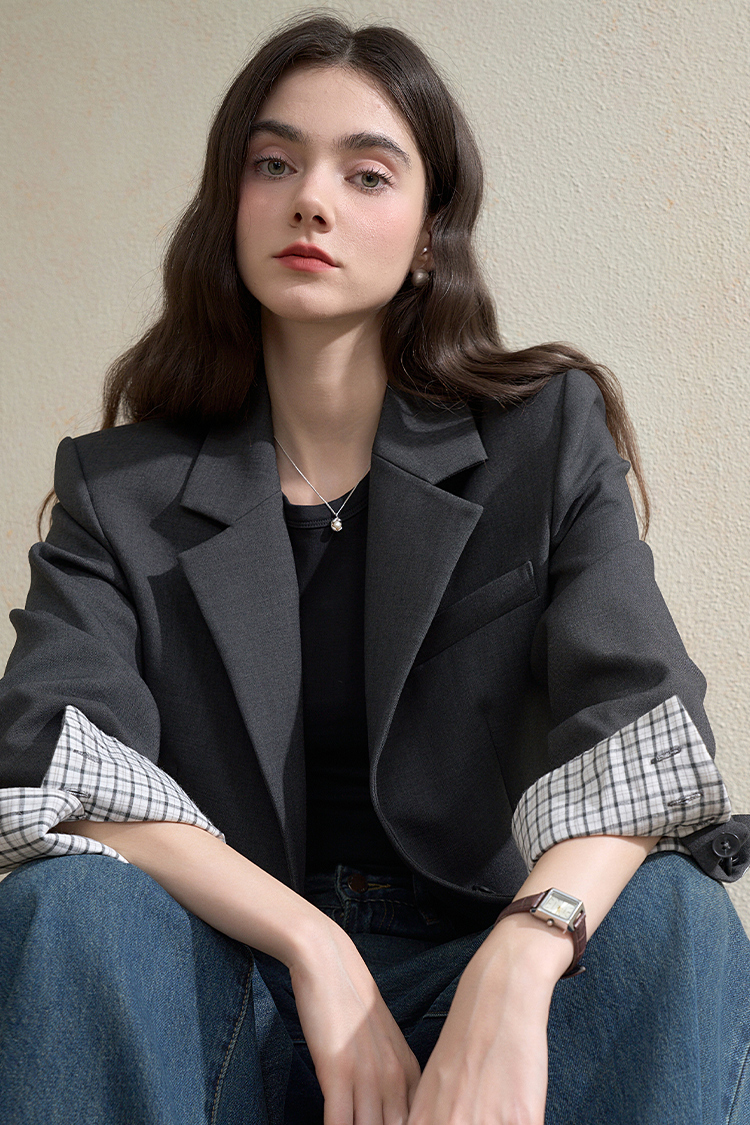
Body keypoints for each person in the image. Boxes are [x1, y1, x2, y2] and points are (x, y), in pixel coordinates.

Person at [0, 14, 749, 1125]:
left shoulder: (545, 435)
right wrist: (314, 945)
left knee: (675, 917)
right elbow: (53, 758)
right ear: (230, 205)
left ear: (430, 234)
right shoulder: (120, 488)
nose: (313, 200)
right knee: (64, 909)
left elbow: (640, 733)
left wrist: (527, 948)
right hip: (225, 978)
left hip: (472, 954)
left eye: (366, 173)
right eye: (275, 164)